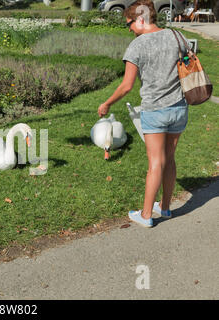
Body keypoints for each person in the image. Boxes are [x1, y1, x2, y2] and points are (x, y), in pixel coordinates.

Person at [97, 0, 190, 228]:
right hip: (179, 107)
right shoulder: (177, 36)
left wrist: (107, 103)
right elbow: (188, 64)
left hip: (155, 110)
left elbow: (126, 86)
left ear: (140, 19)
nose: (129, 28)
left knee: (155, 163)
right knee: (169, 159)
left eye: (129, 23)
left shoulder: (137, 46)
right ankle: (165, 208)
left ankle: (147, 215)